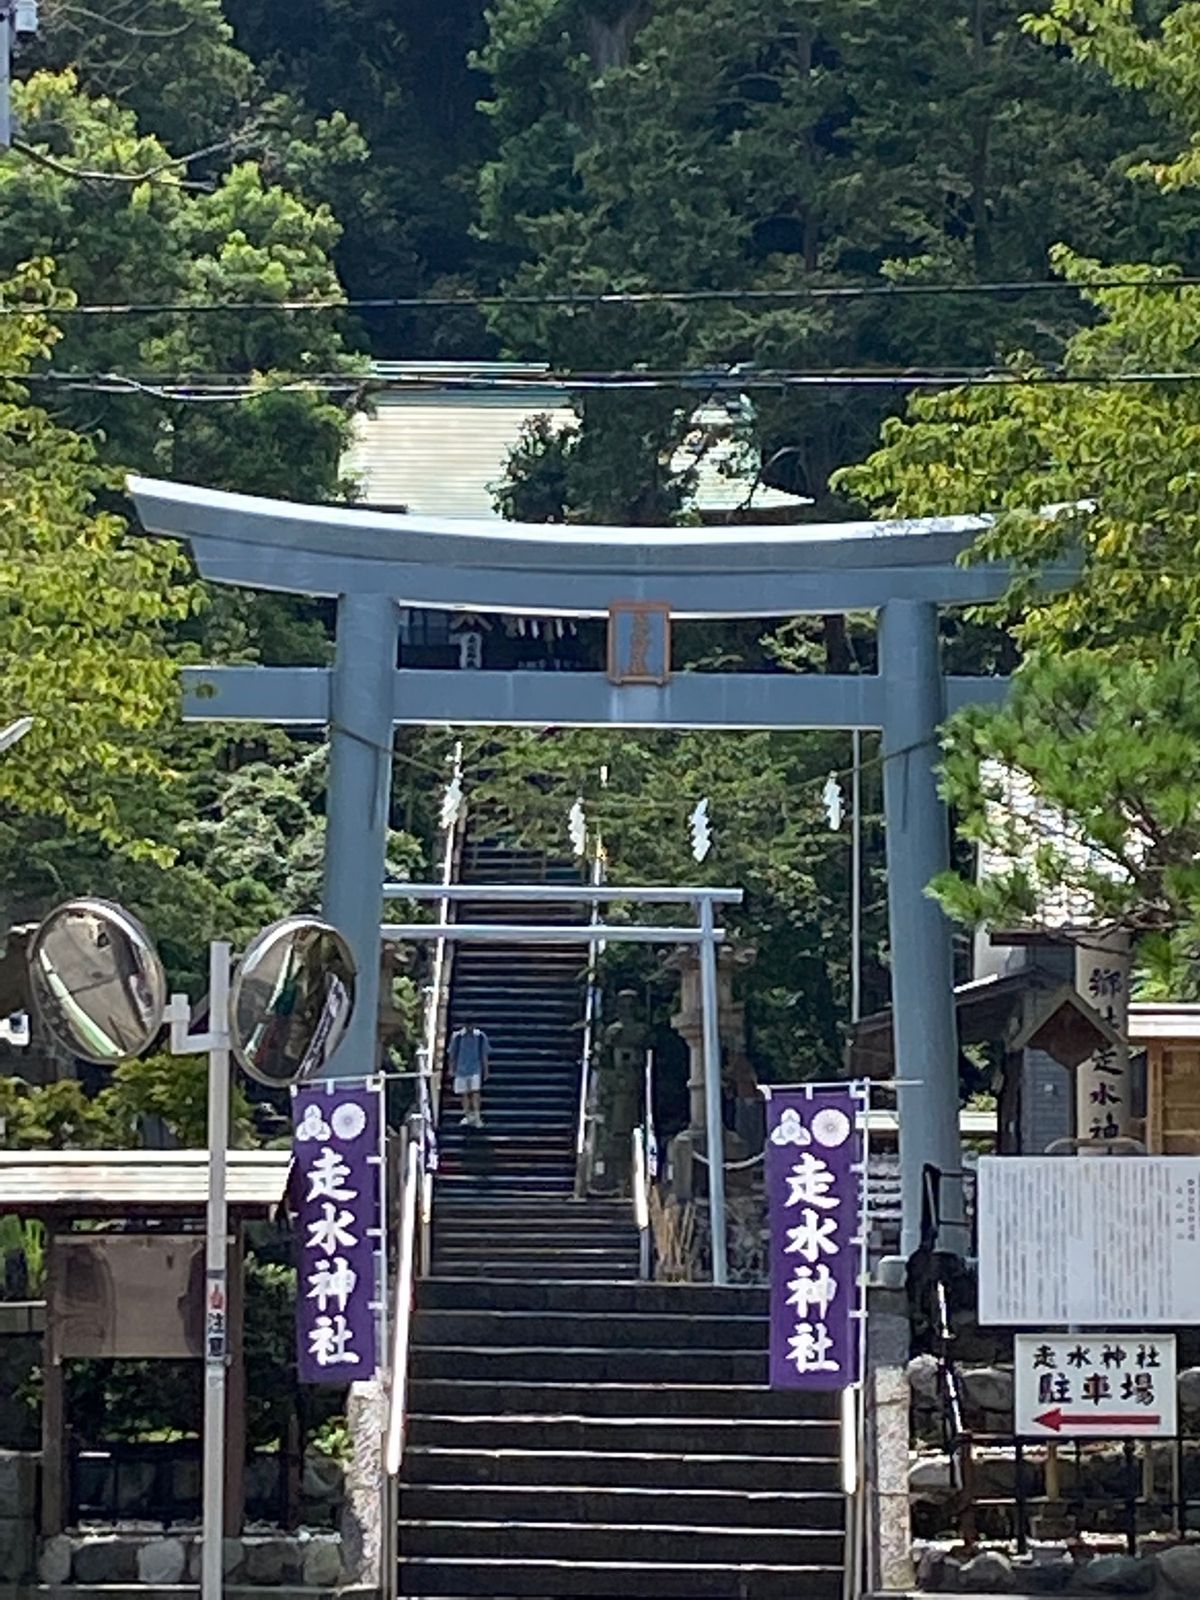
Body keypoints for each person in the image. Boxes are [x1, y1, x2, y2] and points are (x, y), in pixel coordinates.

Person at [448, 1020, 490, 1128]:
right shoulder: (457, 1037)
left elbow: (484, 1055)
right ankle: (467, 1114)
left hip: (475, 1068)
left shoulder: (480, 1036)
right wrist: (451, 1068)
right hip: (461, 1069)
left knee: (475, 1092)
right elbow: (452, 1054)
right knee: (464, 1093)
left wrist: (486, 1070)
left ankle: (476, 1115)